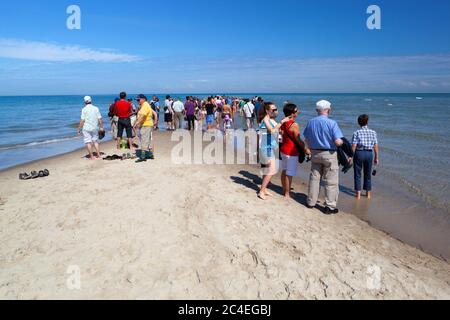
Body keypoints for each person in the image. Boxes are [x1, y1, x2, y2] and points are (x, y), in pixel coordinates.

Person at [303, 100, 344, 215]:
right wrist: (343, 142)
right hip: (329, 154)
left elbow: (306, 138)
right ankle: (330, 206)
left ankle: (311, 202)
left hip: (315, 153)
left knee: (314, 178)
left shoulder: (311, 122)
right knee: (331, 181)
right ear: (328, 110)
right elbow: (337, 141)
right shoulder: (332, 123)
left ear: (317, 110)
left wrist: (307, 149)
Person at [257, 102, 290, 200]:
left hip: (271, 147)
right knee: (271, 170)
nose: (276, 111)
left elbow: (276, 131)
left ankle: (264, 189)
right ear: (267, 111)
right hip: (266, 148)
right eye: (274, 109)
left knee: (267, 170)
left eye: (276, 109)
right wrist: (282, 122)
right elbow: (271, 130)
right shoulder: (265, 120)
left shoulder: (271, 120)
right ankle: (261, 191)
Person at [350, 114, 379, 199]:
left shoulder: (356, 132)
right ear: (367, 122)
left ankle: (358, 194)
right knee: (368, 174)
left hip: (359, 153)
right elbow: (375, 145)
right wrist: (376, 157)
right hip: (369, 153)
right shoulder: (373, 132)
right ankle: (368, 194)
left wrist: (350, 156)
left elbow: (354, 146)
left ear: (358, 123)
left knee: (357, 174)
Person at [280, 103, 305, 199]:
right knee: (289, 173)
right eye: (296, 110)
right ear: (292, 113)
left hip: (284, 149)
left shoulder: (283, 122)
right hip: (291, 151)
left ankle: (284, 189)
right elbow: (298, 139)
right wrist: (305, 148)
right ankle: (287, 193)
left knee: (285, 170)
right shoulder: (294, 124)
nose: (297, 112)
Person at [77, 96, 104, 160]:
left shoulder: (84, 109)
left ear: (84, 101)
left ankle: (91, 156)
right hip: (95, 127)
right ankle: (98, 155)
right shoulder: (96, 108)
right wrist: (101, 127)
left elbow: (82, 120)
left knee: (88, 142)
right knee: (95, 141)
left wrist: (79, 128)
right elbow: (100, 119)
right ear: (91, 100)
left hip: (86, 128)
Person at [133, 94, 158, 163]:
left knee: (144, 141)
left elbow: (142, 116)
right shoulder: (146, 105)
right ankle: (150, 155)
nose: (138, 101)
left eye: (138, 100)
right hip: (147, 125)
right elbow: (155, 113)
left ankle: (143, 157)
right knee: (147, 140)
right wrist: (155, 121)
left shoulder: (145, 105)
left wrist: (136, 124)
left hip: (145, 125)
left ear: (143, 99)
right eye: (137, 100)